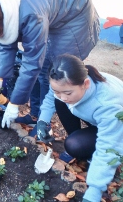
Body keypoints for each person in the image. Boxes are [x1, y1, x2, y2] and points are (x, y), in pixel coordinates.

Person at [0, 0, 100, 129]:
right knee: (42, 69)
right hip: (52, 11)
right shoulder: (1, 8)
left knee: (50, 70)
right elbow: (6, 44)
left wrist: (14, 103)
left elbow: (32, 63)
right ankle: (35, 114)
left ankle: (44, 123)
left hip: (75, 13)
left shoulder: (31, 16)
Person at [37, 54, 123, 202]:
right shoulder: (68, 82)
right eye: (57, 90)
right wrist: (43, 120)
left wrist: (94, 191)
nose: (63, 96)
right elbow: (53, 95)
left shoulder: (107, 105)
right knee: (60, 102)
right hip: (99, 119)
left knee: (74, 145)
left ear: (86, 84)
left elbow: (109, 147)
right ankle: (87, 146)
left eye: (67, 93)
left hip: (118, 129)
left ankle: (89, 152)